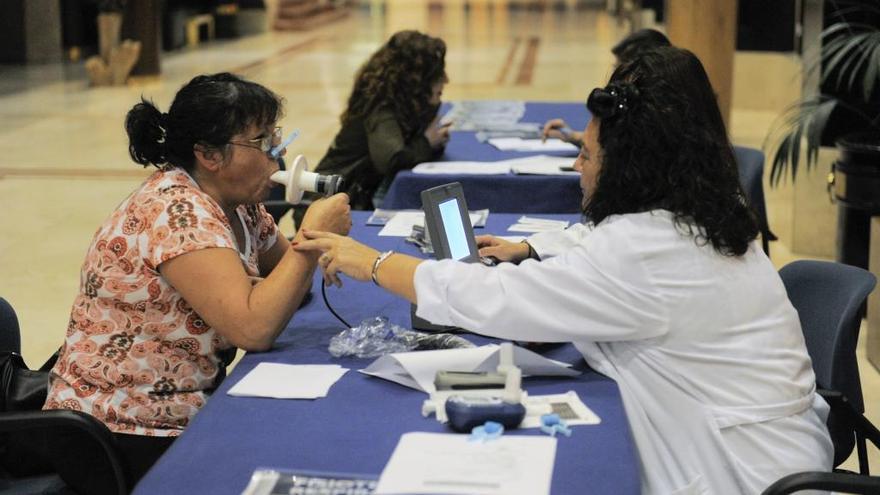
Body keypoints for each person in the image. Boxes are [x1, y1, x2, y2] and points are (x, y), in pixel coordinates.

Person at [293, 47, 833, 494]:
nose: (577, 165)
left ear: (630, 168)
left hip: (738, 469)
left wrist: (376, 262)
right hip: (752, 432)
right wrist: (529, 249)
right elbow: (592, 243)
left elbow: (497, 300)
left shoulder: (644, 251)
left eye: (589, 155)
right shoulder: (703, 208)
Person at [42, 72, 351, 492]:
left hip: (185, 401)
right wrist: (310, 241)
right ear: (209, 154)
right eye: (262, 143)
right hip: (126, 426)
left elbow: (286, 288)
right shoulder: (176, 213)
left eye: (277, 137)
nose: (278, 157)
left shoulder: (240, 205)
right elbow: (254, 329)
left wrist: (298, 256)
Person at [313, 30, 451, 210]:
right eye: (436, 75)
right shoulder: (381, 107)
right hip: (327, 204)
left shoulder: (403, 103)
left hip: (353, 199)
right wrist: (426, 142)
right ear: (415, 80)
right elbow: (392, 160)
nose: (445, 80)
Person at [541, 28, 670, 147]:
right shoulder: (641, 103)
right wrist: (573, 136)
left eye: (620, 69)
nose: (615, 78)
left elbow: (620, 152)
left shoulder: (659, 115)